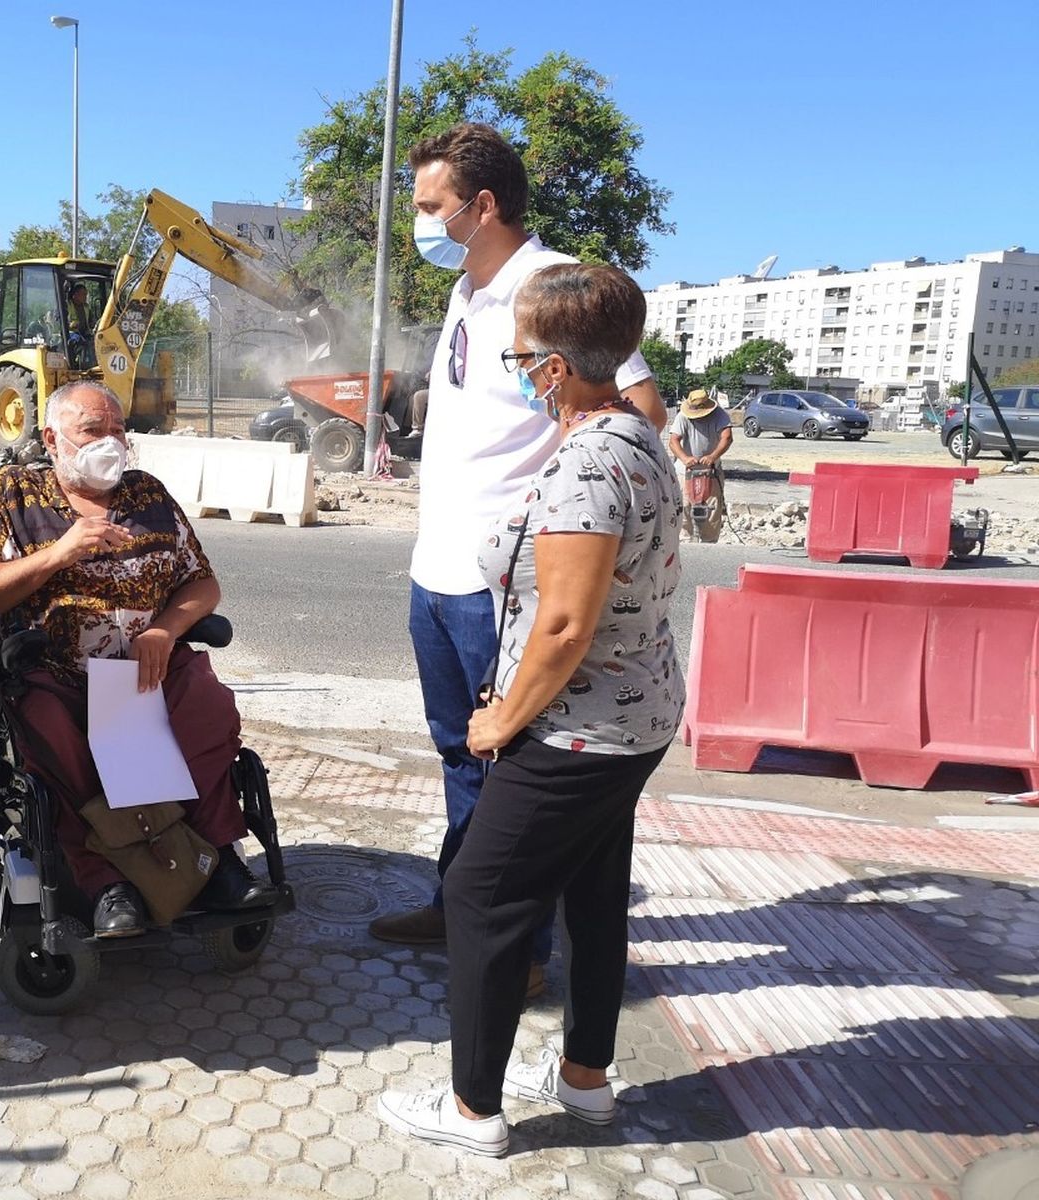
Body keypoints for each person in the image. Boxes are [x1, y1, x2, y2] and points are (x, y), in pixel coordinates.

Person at [378, 262, 683, 1156]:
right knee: (592, 894)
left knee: (481, 894)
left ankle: (473, 1111)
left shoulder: (589, 461)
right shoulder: (637, 436)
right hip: (636, 717)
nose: (516, 370)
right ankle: (585, 1082)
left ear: (554, 368)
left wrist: (504, 719)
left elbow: (564, 622)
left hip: (576, 728)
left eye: (520, 357)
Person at [370, 122, 667, 1003]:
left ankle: (520, 949)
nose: (421, 223)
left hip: (502, 582)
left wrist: (559, 523)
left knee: (511, 766)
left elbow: (636, 407)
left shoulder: (551, 287)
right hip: (439, 568)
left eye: (431, 207)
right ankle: (458, 905)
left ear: (482, 204)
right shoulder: (470, 288)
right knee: (461, 753)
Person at [0, 381, 278, 938]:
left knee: (206, 704)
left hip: (142, 673)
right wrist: (57, 554)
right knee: (53, 733)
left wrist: (166, 630)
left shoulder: (147, 495)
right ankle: (105, 881)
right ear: (52, 438)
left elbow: (201, 581)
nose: (111, 442)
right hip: (55, 673)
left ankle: (214, 859)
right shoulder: (14, 494)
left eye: (118, 430)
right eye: (92, 431)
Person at [668, 389, 733, 543]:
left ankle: (709, 543)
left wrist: (713, 456)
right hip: (685, 472)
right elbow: (673, 440)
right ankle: (685, 543)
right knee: (684, 508)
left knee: (711, 509)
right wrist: (684, 458)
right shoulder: (683, 416)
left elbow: (727, 437)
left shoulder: (719, 415)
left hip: (711, 472)